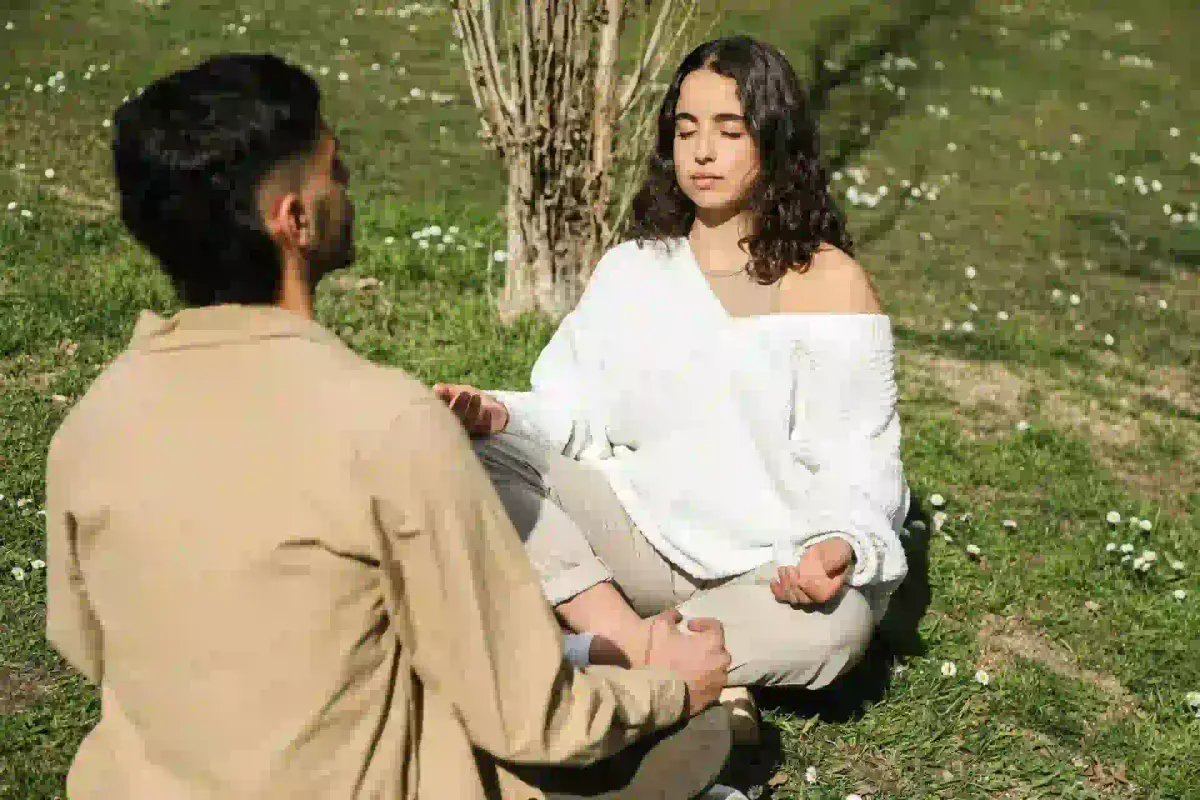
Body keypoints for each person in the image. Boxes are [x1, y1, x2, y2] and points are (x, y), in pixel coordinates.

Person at [43, 53, 737, 799]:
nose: (348, 186)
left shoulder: (96, 420)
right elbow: (533, 718)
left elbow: (83, 641)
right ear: (296, 220)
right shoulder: (386, 425)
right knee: (702, 731)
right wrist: (670, 688)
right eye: (333, 169)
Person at [435, 35, 910, 721]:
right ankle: (646, 652)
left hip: (762, 573)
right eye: (686, 129)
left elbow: (860, 463)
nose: (703, 151)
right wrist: (498, 417)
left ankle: (597, 653)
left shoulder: (831, 284)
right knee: (466, 455)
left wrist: (838, 546)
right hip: (630, 534)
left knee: (839, 627)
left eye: (729, 130)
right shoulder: (635, 267)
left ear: (775, 142)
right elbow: (571, 412)